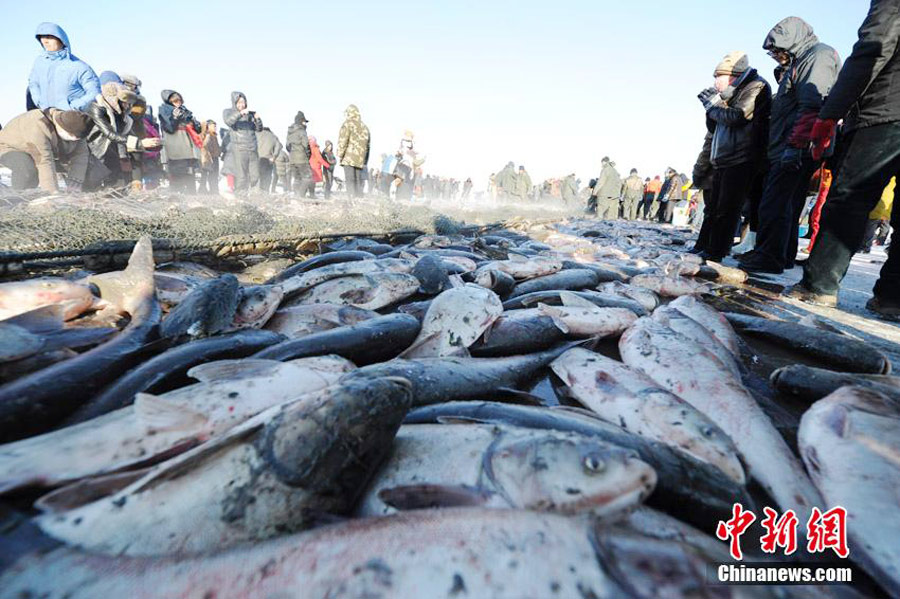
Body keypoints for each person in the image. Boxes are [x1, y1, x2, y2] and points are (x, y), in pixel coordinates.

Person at [790, 0, 900, 318]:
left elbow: (873, 47)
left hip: (888, 111)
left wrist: (831, 112)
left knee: (851, 196)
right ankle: (893, 296)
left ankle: (819, 285)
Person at [738, 17, 841, 274]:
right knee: (787, 203)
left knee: (775, 202)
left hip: (798, 145)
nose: (774, 55)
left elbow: (813, 103)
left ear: (791, 41)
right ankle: (780, 254)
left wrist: (795, 145)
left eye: (776, 49)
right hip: (791, 144)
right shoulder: (801, 60)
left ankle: (769, 256)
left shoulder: (817, 56)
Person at [692, 52, 772, 260]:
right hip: (723, 156)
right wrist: (713, 105)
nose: (715, 82)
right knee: (713, 208)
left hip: (742, 155)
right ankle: (704, 245)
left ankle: (716, 251)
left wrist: (714, 105)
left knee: (727, 209)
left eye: (717, 77)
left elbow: (738, 117)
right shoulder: (729, 94)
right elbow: (713, 126)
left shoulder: (756, 86)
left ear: (731, 75)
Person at [0, 108, 92, 192]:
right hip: (9, 147)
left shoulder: (77, 126)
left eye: (78, 138)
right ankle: (20, 197)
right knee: (26, 167)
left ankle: (89, 194)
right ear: (61, 127)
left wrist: (75, 180)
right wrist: (52, 193)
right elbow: (44, 160)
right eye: (73, 136)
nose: (75, 140)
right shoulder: (37, 126)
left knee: (92, 167)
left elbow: (81, 155)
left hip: (42, 152)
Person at [84, 82, 150, 190]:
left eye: (129, 103)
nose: (127, 106)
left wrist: (148, 144)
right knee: (92, 187)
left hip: (111, 152)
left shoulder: (122, 116)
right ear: (114, 98)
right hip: (95, 152)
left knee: (115, 187)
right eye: (124, 102)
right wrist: (139, 142)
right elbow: (109, 134)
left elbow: (126, 134)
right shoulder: (96, 108)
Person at [28, 23, 100, 112]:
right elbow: (33, 83)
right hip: (46, 114)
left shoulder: (78, 66)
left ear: (61, 39)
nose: (45, 41)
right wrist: (39, 101)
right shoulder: (39, 62)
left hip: (72, 116)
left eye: (49, 37)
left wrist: (72, 107)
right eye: (42, 37)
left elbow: (94, 92)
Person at [158, 90, 201, 194]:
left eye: (179, 100)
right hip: (175, 149)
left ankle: (192, 199)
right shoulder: (164, 110)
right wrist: (175, 118)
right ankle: (176, 201)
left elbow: (196, 131)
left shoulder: (185, 111)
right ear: (169, 101)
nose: (178, 102)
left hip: (188, 149)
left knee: (190, 177)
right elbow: (170, 128)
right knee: (177, 179)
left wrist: (195, 124)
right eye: (175, 100)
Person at [222, 91, 262, 197]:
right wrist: (240, 113)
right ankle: (241, 196)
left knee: (255, 175)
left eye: (243, 102)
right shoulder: (228, 112)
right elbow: (228, 121)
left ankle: (256, 196)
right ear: (234, 103)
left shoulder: (250, 115)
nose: (241, 105)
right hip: (239, 147)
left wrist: (258, 119)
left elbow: (259, 129)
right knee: (241, 175)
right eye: (239, 102)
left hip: (252, 148)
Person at [337, 104, 370, 198]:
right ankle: (359, 199)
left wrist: (340, 154)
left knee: (350, 180)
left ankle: (351, 200)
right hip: (360, 159)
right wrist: (365, 160)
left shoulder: (347, 124)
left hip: (349, 157)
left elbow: (343, 140)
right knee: (358, 180)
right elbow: (368, 146)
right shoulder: (364, 127)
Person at [286, 111, 313, 197]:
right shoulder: (302, 131)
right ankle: (301, 196)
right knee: (307, 177)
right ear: (301, 121)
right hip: (301, 158)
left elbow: (287, 147)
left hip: (292, 159)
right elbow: (306, 145)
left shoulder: (290, 132)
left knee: (297, 178)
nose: (305, 123)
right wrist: (309, 155)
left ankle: (296, 196)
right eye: (305, 121)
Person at [256, 124, 283, 193]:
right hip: (267, 160)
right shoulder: (273, 136)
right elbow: (279, 146)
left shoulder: (257, 134)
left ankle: (256, 193)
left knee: (256, 177)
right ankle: (265, 193)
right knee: (266, 177)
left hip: (256, 159)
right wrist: (274, 156)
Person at [199, 120, 220, 194]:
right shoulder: (207, 135)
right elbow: (205, 146)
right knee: (211, 175)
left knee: (214, 175)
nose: (215, 127)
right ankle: (212, 191)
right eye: (213, 126)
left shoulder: (214, 135)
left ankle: (214, 191)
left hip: (214, 157)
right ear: (208, 126)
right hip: (210, 158)